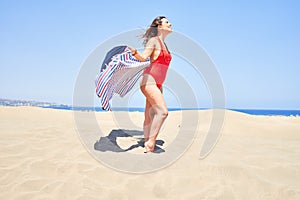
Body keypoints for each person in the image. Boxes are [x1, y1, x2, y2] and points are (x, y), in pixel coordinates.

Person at [129, 16, 172, 153]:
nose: (170, 24)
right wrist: (134, 53)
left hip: (158, 84)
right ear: (159, 26)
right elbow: (143, 57)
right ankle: (150, 143)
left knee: (150, 115)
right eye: (166, 22)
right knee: (163, 112)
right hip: (149, 81)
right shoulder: (154, 41)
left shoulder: (165, 44)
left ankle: (147, 142)